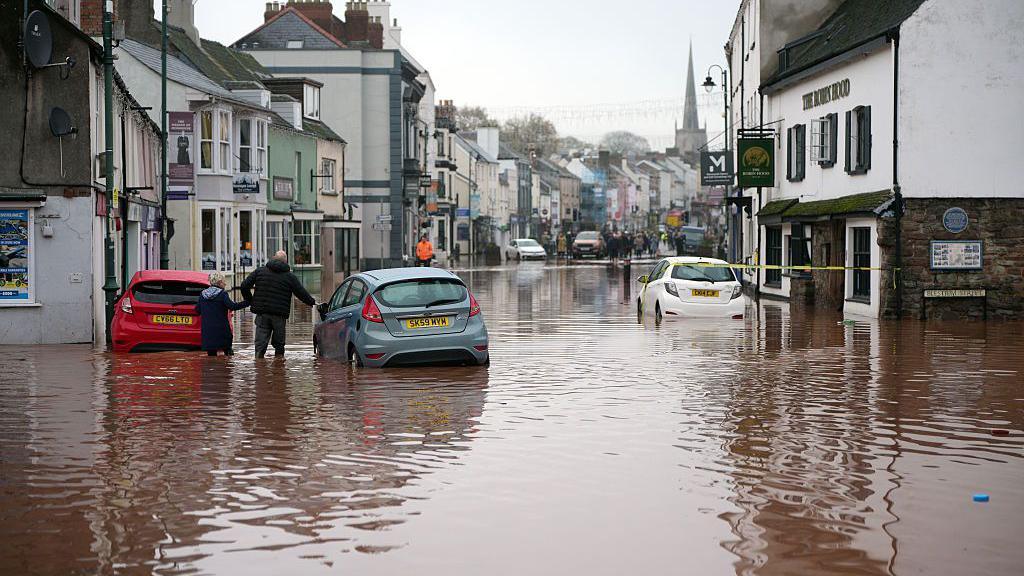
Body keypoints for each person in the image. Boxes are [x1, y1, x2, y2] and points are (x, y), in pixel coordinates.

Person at [240, 250, 317, 359]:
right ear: (286, 261)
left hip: (262, 313)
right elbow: (301, 293)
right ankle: (279, 369)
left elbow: (244, 286)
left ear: (273, 258)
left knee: (260, 344)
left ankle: (259, 366)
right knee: (279, 344)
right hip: (279, 315)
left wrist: (250, 300)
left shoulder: (260, 271)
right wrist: (313, 302)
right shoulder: (290, 277)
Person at [195, 272, 249, 357]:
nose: (225, 283)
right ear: (219, 282)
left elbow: (197, 310)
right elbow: (232, 306)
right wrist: (247, 303)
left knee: (211, 357)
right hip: (222, 330)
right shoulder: (222, 294)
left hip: (208, 330)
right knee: (228, 355)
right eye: (224, 281)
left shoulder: (203, 294)